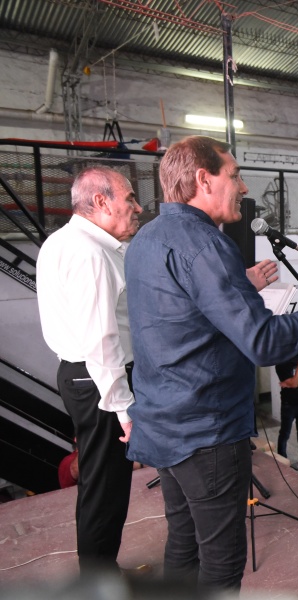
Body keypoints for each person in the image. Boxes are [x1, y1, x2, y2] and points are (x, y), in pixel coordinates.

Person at [125, 136, 298, 589]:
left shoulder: (146, 239)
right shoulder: (205, 245)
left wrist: (240, 285)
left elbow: (181, 316)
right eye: (234, 175)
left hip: (162, 424)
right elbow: (265, 343)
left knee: (183, 544)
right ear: (203, 178)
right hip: (205, 433)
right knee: (222, 563)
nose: (243, 185)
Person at [35, 167, 143, 574]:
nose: (136, 207)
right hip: (98, 380)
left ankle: (99, 572)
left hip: (84, 377)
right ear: (101, 201)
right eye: (129, 198)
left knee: (103, 483)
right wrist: (124, 410)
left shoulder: (65, 241)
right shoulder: (90, 252)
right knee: (105, 487)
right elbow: (102, 340)